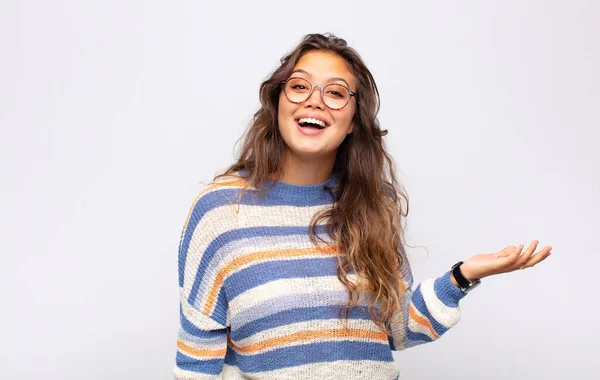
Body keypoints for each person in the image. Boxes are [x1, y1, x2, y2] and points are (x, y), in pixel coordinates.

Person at [173, 33, 552, 379]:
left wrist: (462, 276)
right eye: (300, 86)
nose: (314, 101)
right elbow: (196, 363)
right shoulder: (220, 212)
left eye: (336, 93)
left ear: (354, 121)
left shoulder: (372, 205)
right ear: (276, 103)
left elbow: (398, 326)